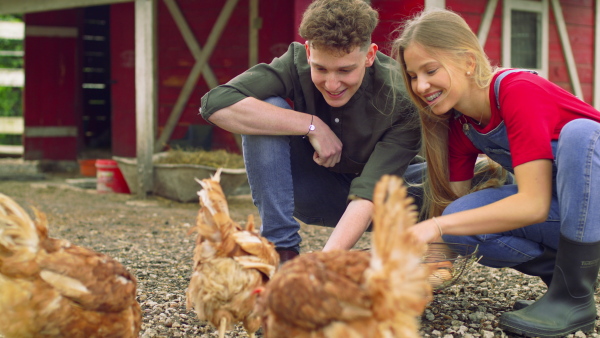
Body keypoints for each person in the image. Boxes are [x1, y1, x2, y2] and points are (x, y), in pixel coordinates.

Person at [392, 8, 600, 338]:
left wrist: (432, 225)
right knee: (459, 221)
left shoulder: (517, 90)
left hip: (594, 203)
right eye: (413, 76)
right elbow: (456, 223)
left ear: (469, 62)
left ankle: (574, 295)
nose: (420, 85)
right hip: (567, 212)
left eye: (429, 70)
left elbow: (532, 205)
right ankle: (565, 284)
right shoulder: (461, 126)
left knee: (581, 134)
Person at [199, 0, 423, 263]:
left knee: (452, 184)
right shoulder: (295, 63)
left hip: (389, 201)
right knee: (267, 109)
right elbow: (215, 103)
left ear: (370, 56)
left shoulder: (403, 97)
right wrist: (311, 125)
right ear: (308, 52)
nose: (332, 83)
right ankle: (281, 251)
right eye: (320, 68)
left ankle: (435, 246)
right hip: (316, 190)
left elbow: (370, 193)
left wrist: (320, 266)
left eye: (345, 70)